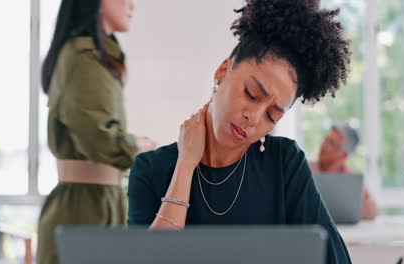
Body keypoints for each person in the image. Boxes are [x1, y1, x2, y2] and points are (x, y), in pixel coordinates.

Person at [128, 0, 352, 263]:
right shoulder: (151, 169)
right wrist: (185, 165)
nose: (253, 118)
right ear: (223, 71)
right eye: (252, 94)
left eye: (271, 115)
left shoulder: (284, 163)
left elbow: (335, 259)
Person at [36, 0, 152, 263]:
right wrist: (139, 148)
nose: (132, 4)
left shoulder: (94, 56)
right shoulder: (82, 57)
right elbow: (97, 137)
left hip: (99, 203)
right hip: (85, 209)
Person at [310, 123, 379, 220]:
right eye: (326, 139)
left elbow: (373, 212)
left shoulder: (350, 180)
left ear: (344, 155)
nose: (324, 145)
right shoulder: (304, 169)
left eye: (331, 143)